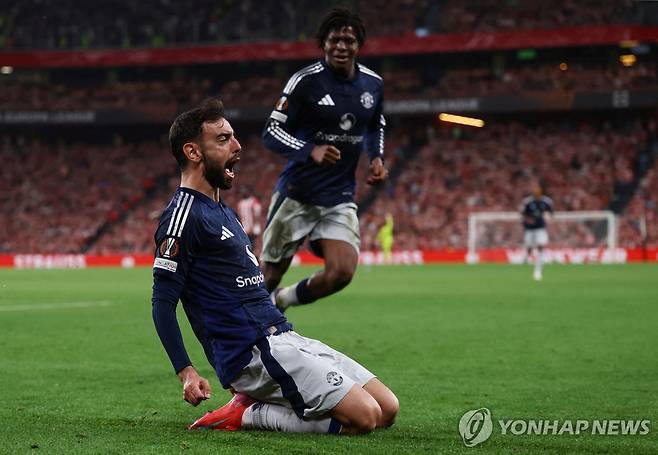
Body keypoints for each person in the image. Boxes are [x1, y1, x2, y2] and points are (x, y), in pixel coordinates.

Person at [151, 98, 399, 435]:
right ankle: (246, 415)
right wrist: (186, 371)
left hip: (282, 336)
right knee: (364, 418)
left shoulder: (224, 211)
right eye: (223, 139)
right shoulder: (182, 216)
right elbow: (162, 302)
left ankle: (255, 401)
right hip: (250, 353)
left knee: (387, 408)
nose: (237, 146)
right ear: (193, 152)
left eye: (233, 136)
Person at [261, 8, 388, 312]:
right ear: (324, 44)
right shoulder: (304, 81)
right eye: (334, 40)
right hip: (298, 193)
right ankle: (233, 331)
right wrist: (310, 150)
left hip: (339, 197)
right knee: (268, 277)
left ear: (359, 45)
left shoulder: (373, 84)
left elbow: (376, 124)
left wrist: (376, 157)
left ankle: (283, 300)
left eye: (349, 40)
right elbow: (271, 131)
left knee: (342, 272)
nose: (341, 46)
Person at [520, 185, 554, 280]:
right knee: (529, 246)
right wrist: (528, 219)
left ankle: (538, 270)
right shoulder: (527, 202)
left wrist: (548, 217)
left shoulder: (546, 202)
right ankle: (526, 257)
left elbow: (551, 213)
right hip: (529, 229)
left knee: (540, 246)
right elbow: (523, 214)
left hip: (540, 229)